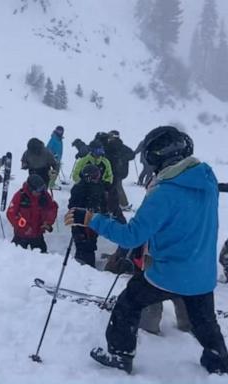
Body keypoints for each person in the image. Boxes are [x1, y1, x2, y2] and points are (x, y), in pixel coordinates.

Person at [65, 126, 228, 375]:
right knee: (205, 322)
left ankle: (120, 354)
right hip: (202, 274)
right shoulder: (207, 180)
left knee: (128, 303)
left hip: (170, 273)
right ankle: (219, 362)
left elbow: (131, 237)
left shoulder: (164, 193)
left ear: (158, 156)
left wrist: (90, 218)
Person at [68, 164, 107, 268]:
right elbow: (72, 206)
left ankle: (90, 267)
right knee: (82, 245)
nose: (97, 178)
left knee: (91, 244)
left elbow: (103, 201)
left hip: (94, 221)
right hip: (80, 222)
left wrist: (103, 211)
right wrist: (84, 211)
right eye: (95, 176)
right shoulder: (79, 188)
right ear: (88, 177)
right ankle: (80, 268)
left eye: (98, 175)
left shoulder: (99, 186)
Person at [6, 174, 58, 253]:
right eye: (37, 190)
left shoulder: (45, 196)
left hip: (38, 234)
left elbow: (52, 209)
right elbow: (11, 214)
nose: (40, 192)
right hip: (21, 234)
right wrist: (24, 227)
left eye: (42, 189)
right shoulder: (20, 196)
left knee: (42, 257)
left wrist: (48, 222)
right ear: (30, 189)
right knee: (15, 255)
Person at [106, 130, 135, 211]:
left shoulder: (114, 146)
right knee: (115, 186)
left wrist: (122, 158)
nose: (109, 138)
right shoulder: (122, 146)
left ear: (114, 137)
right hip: (120, 170)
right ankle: (119, 203)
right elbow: (132, 154)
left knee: (117, 186)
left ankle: (124, 204)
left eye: (110, 136)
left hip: (117, 170)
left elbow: (132, 155)